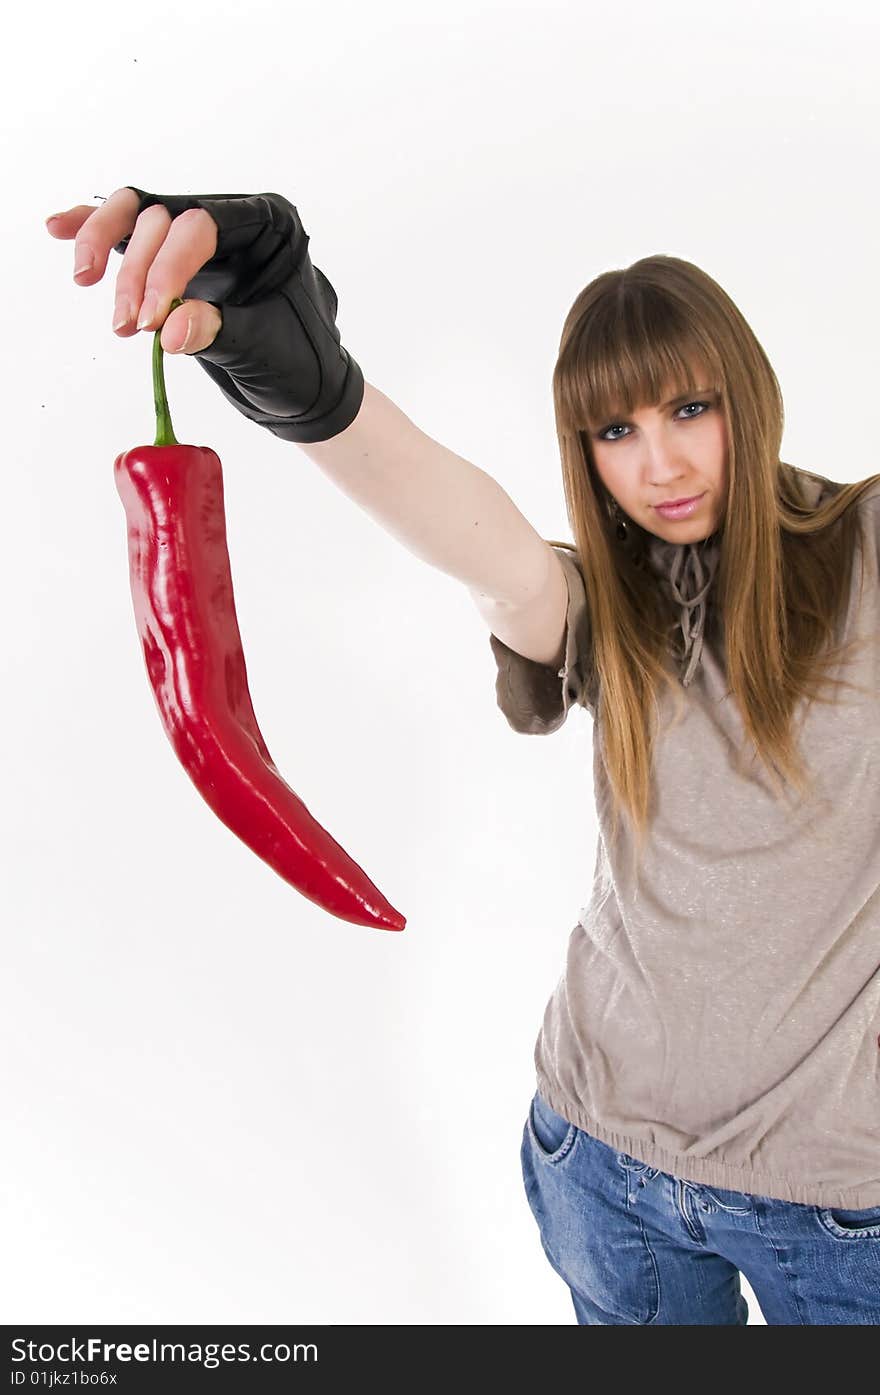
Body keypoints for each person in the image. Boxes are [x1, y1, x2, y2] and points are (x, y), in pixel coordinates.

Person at [46, 187, 880, 1325]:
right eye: (615, 430)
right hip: (604, 1165)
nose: (661, 461)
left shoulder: (863, 551)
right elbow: (476, 538)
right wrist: (322, 396)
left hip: (835, 1206)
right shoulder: (609, 605)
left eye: (690, 407)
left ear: (749, 393)